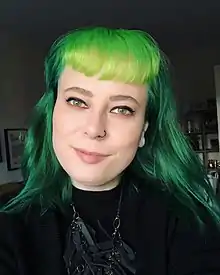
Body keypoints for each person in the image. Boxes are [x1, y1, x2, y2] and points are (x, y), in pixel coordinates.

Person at [0, 26, 220, 275]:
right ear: (52, 113)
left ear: (143, 132)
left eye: (122, 109)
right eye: (77, 101)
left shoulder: (188, 220)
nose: (95, 129)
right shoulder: (9, 223)